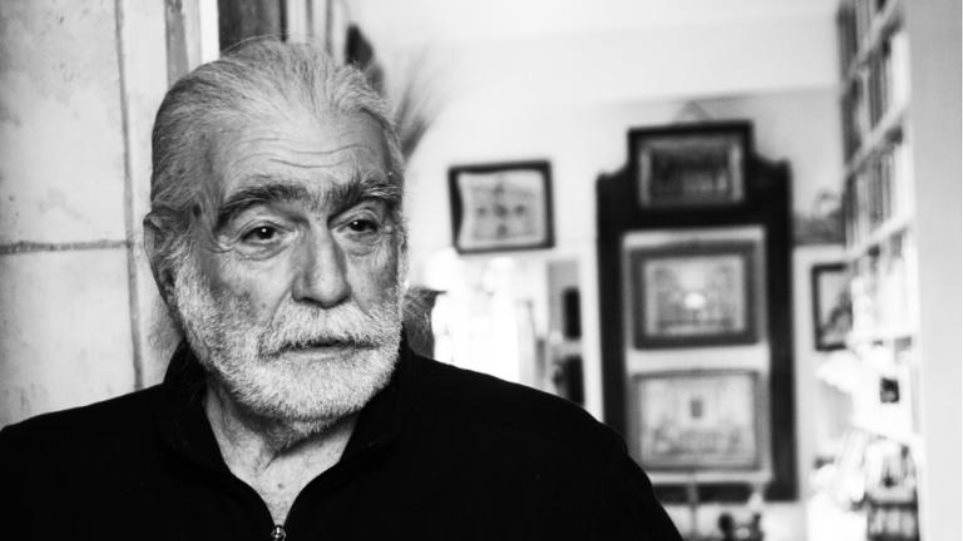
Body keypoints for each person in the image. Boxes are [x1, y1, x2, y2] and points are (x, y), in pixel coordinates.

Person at [0, 40, 681, 540]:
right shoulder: (38, 488)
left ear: (399, 244)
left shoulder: (562, 475)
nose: (327, 284)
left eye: (359, 224)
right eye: (264, 232)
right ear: (170, 262)